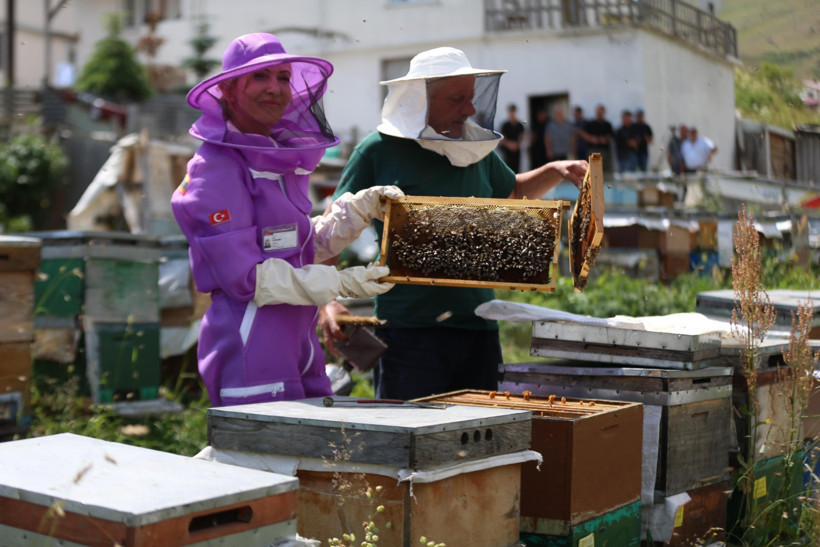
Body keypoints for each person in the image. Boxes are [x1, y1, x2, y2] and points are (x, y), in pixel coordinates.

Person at [319, 47, 588, 401]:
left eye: (472, 97)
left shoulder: (474, 149)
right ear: (420, 102)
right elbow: (330, 230)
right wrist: (327, 301)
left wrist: (555, 171)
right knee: (412, 441)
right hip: (408, 328)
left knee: (478, 441)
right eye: (457, 98)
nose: (470, 108)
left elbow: (511, 193)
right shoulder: (377, 150)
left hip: (478, 323)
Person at [171, 33, 400, 407]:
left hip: (299, 340)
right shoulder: (215, 170)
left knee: (311, 460)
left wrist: (355, 212)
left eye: (282, 77)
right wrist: (340, 282)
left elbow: (294, 247)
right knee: (261, 460)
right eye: (260, 77)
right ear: (227, 90)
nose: (275, 89)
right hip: (251, 344)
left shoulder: (275, 159)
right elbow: (247, 277)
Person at [585, 104, 615, 173]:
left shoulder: (607, 124)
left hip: (605, 151)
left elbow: (611, 136)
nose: (600, 114)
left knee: (606, 171)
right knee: (594, 172)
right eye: (599, 113)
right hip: (593, 150)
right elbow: (582, 133)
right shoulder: (591, 124)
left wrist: (605, 139)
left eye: (601, 113)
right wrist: (591, 139)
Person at [498, 103, 526, 172]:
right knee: (508, 167)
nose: (512, 113)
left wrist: (517, 144)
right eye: (510, 111)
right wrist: (509, 144)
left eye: (513, 111)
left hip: (517, 149)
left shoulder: (519, 124)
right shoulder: (505, 125)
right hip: (507, 150)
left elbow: (523, 136)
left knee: (517, 168)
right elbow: (501, 137)